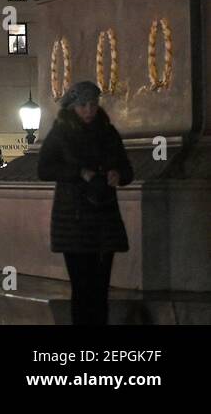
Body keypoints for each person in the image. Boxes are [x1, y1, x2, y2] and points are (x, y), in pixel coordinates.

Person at [38, 80, 133, 325]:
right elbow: (44, 169)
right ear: (72, 107)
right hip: (74, 219)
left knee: (100, 287)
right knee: (82, 287)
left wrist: (117, 174)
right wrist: (79, 172)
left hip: (103, 216)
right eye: (83, 105)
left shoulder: (107, 132)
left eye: (93, 104)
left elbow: (126, 168)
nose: (89, 110)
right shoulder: (61, 133)